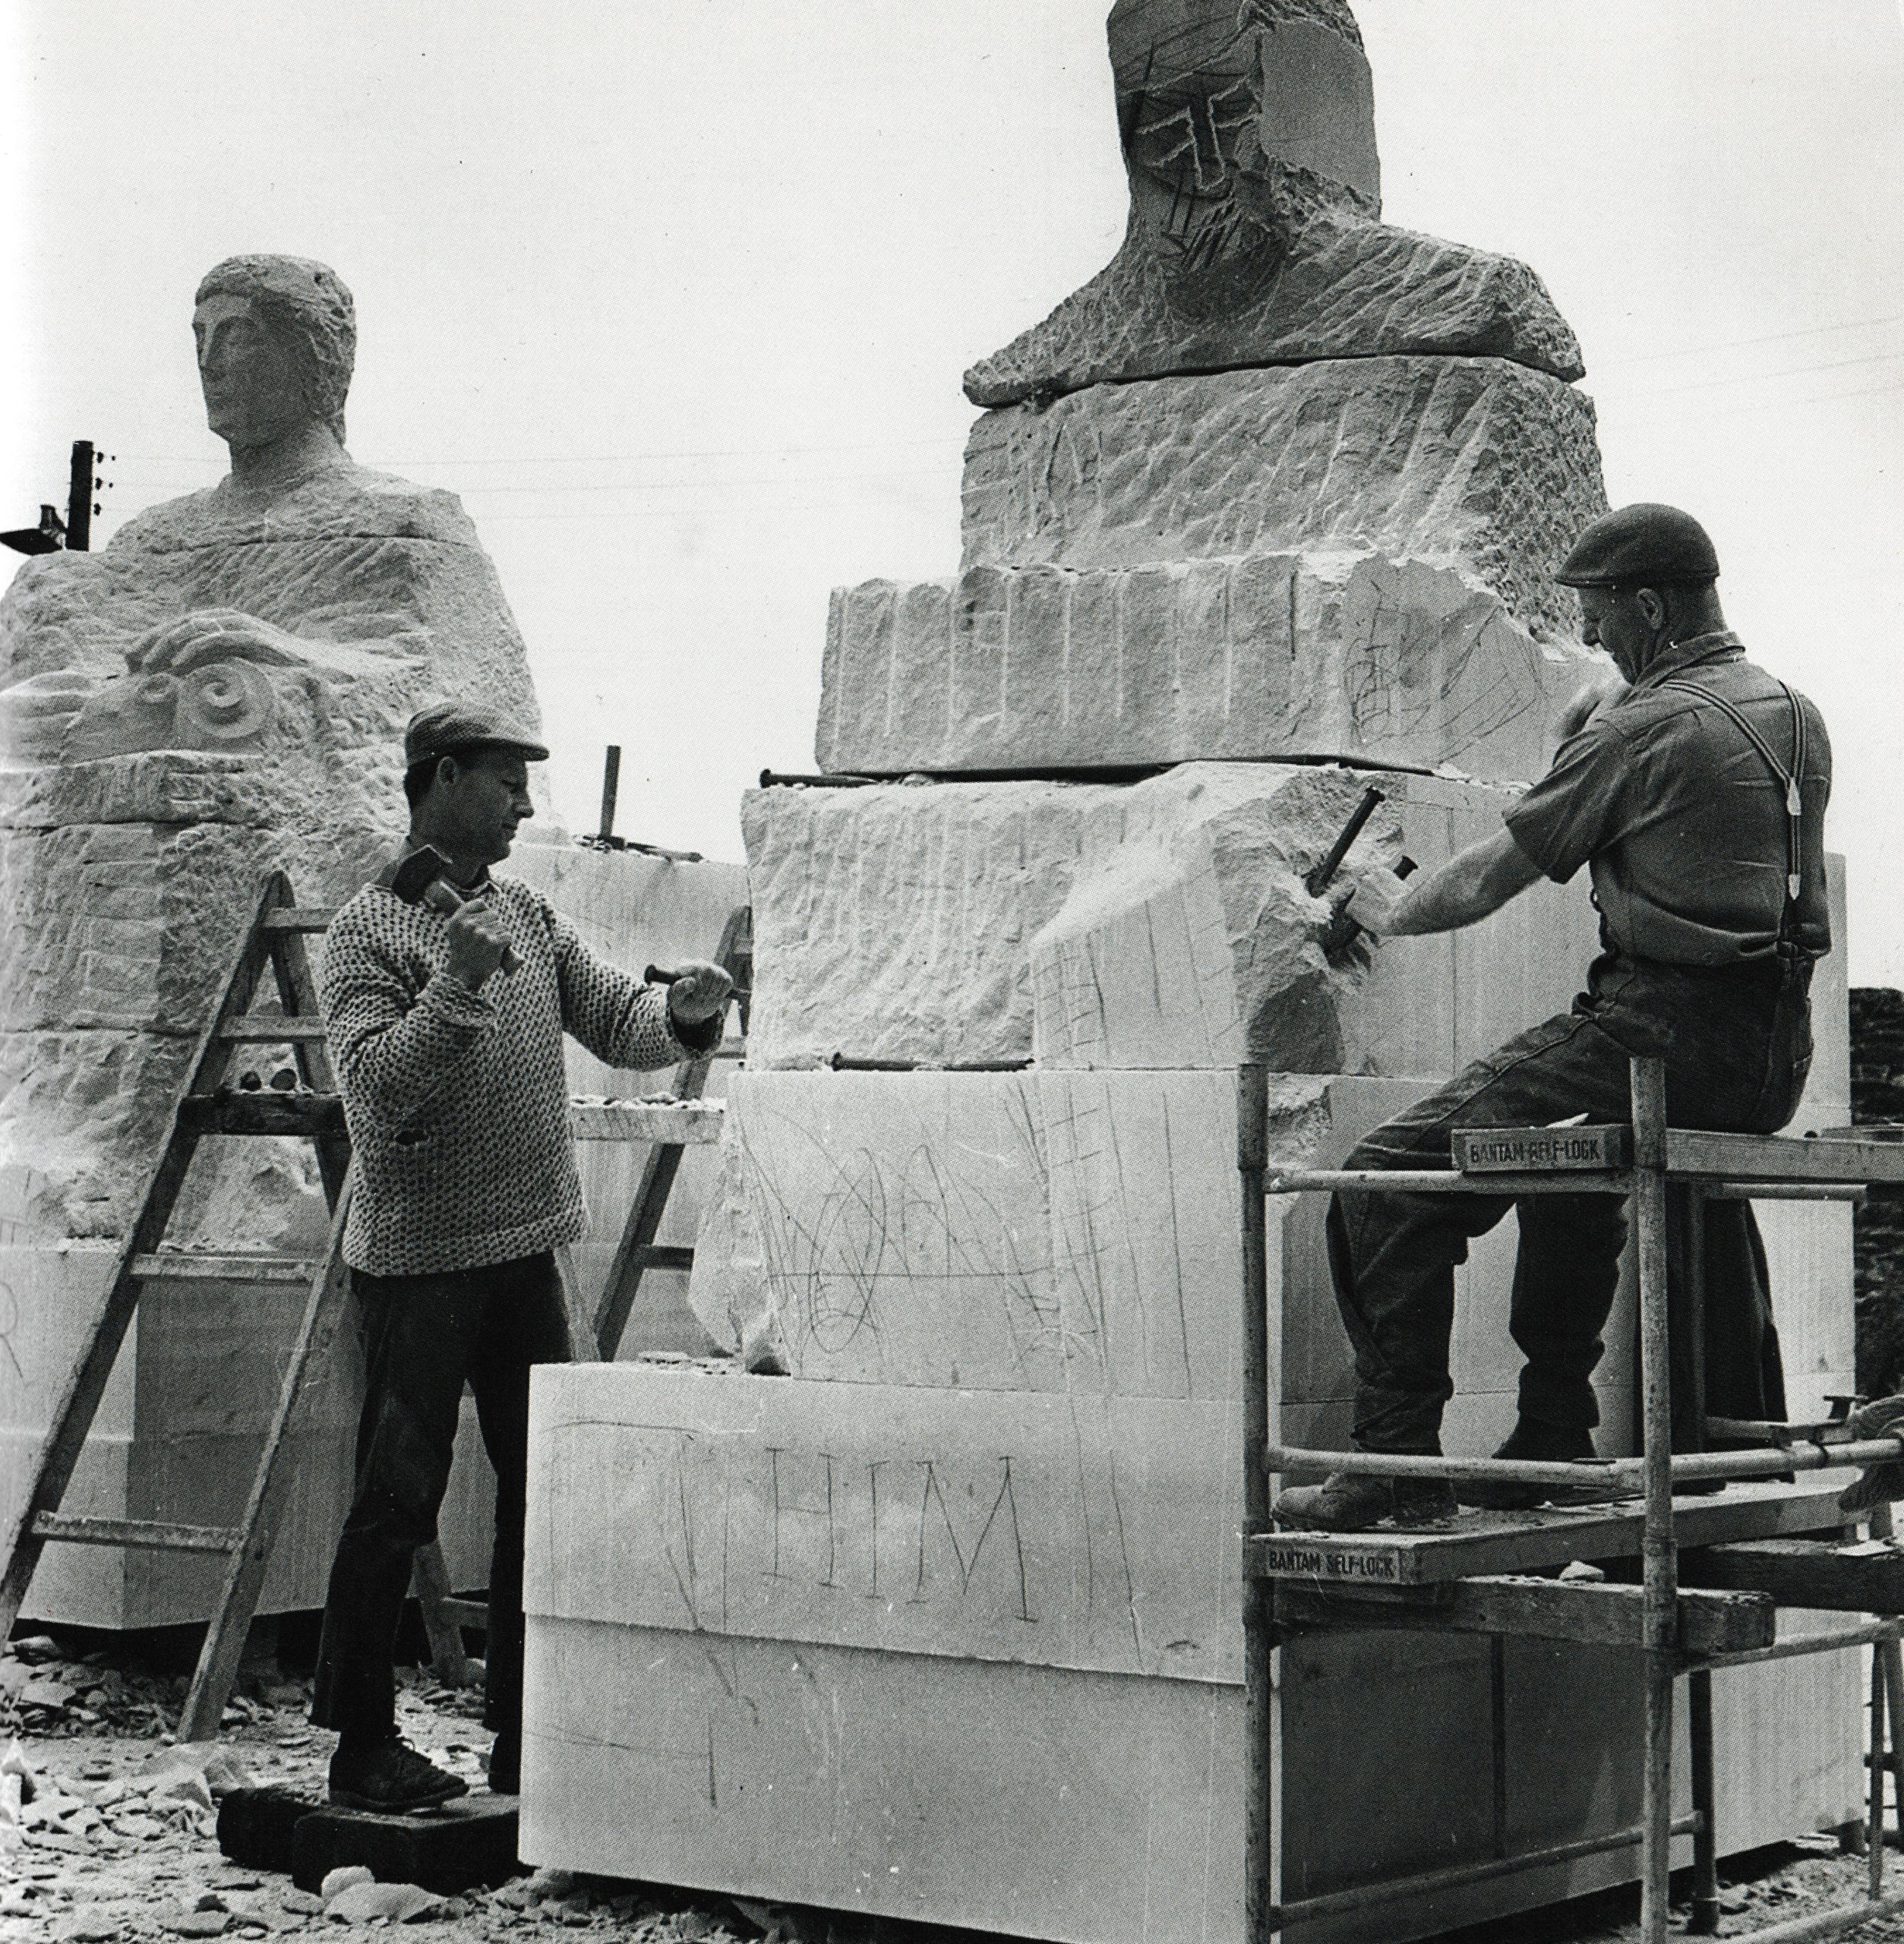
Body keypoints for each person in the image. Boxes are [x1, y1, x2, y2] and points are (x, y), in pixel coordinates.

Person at [1274, 503, 1832, 1534]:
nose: (1590, 640)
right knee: (1564, 1171)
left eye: (1600, 617)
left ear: (1653, 606)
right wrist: (1598, 733)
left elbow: (1490, 875)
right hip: (1770, 1053)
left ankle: (1393, 1465)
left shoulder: (1642, 728)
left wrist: (1391, 911)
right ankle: (1548, 1436)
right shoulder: (1791, 710)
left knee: (1384, 1183)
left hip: (1660, 1029)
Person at [310, 700, 733, 1810]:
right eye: (506, 782)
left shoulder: (527, 914)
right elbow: (377, 1095)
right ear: (442, 779)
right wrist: (454, 986)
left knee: (545, 1486)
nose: (527, 804)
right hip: (419, 1259)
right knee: (398, 1497)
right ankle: (361, 1744)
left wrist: (684, 1019)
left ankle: (523, 1739)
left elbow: (617, 1025)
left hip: (522, 1247)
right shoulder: (367, 932)